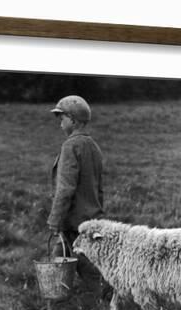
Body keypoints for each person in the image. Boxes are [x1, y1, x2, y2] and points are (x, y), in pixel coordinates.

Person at [47, 95, 105, 298]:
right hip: (91, 218)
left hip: (74, 221)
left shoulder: (70, 147)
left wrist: (55, 219)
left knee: (87, 267)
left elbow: (65, 189)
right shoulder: (93, 147)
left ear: (72, 119)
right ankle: (57, 302)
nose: (60, 123)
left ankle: (103, 308)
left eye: (61, 118)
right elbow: (99, 189)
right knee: (60, 258)